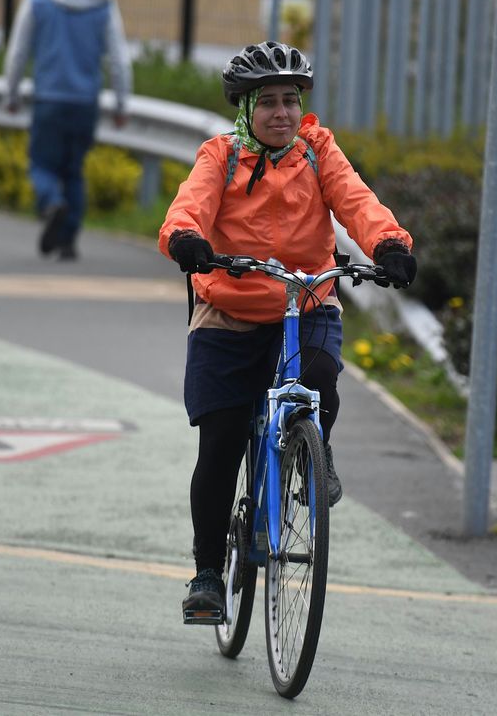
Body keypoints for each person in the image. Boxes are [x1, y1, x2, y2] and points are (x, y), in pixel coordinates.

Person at [158, 40, 416, 618]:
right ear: (245, 110)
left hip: (306, 299)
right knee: (221, 442)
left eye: (290, 101)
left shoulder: (318, 152)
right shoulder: (220, 156)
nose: (281, 113)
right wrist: (186, 240)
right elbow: (189, 208)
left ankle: (311, 455)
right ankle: (206, 575)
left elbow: (358, 201)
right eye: (268, 102)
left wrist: (390, 243)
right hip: (231, 305)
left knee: (321, 373)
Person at [4, 0, 132, 261]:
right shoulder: (104, 3)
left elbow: (18, 51)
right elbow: (119, 59)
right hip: (85, 103)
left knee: (42, 164)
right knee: (74, 171)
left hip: (48, 99)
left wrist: (11, 93)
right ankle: (68, 241)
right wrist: (120, 103)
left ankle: (50, 202)